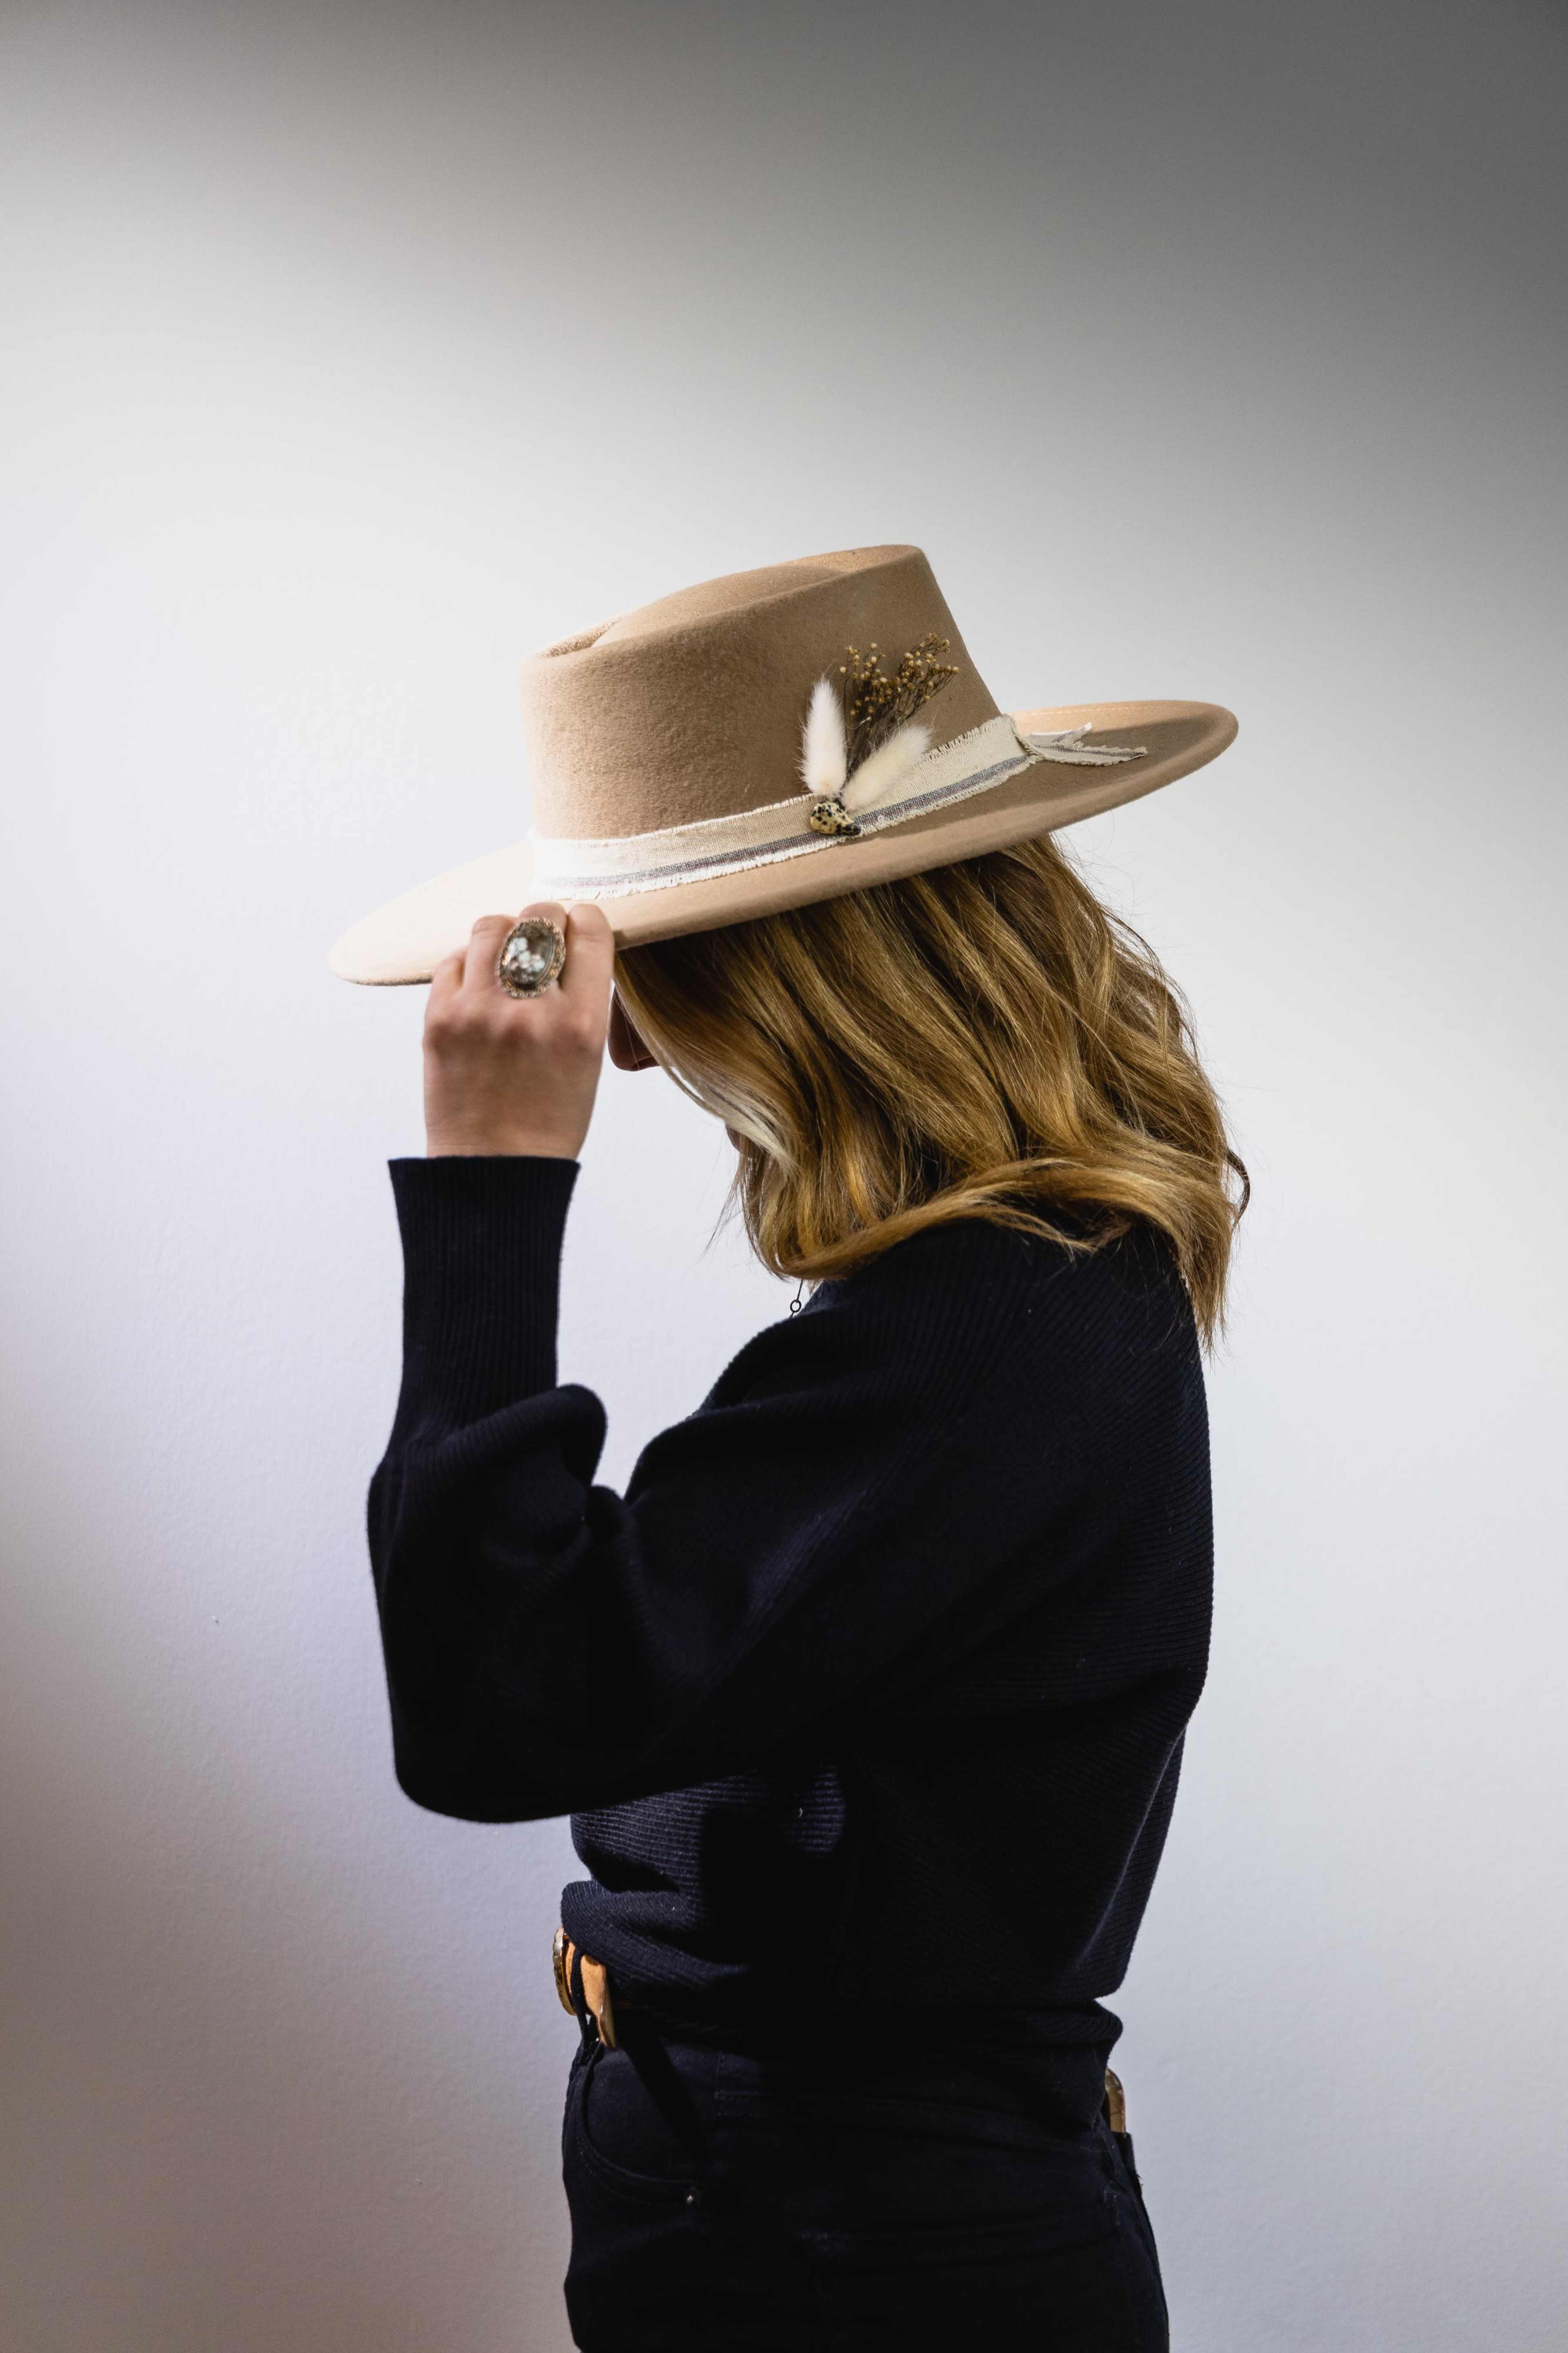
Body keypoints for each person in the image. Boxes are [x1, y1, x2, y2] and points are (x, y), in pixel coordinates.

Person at [334, 546, 1245, 2349]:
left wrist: (494, 1190)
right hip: (838, 2199)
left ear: (786, 975)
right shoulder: (1034, 1285)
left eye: (655, 974)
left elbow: (493, 1703)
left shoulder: (994, 1323)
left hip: (854, 2230)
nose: (650, 1052)